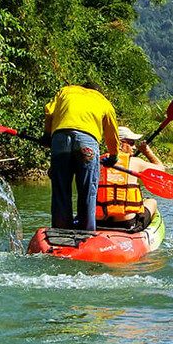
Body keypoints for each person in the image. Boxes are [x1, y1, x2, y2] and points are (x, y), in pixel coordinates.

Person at [43, 81, 120, 231]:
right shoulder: (103, 101)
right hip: (87, 141)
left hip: (60, 138)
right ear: (98, 91)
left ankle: (61, 229)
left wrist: (47, 135)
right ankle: (86, 231)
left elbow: (49, 112)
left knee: (60, 187)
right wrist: (113, 155)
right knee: (88, 188)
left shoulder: (65, 91)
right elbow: (112, 132)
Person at [96, 126, 165, 232]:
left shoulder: (98, 161)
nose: (134, 147)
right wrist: (147, 152)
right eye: (131, 143)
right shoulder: (134, 162)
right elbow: (161, 170)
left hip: (98, 221)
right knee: (152, 202)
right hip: (126, 222)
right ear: (120, 144)